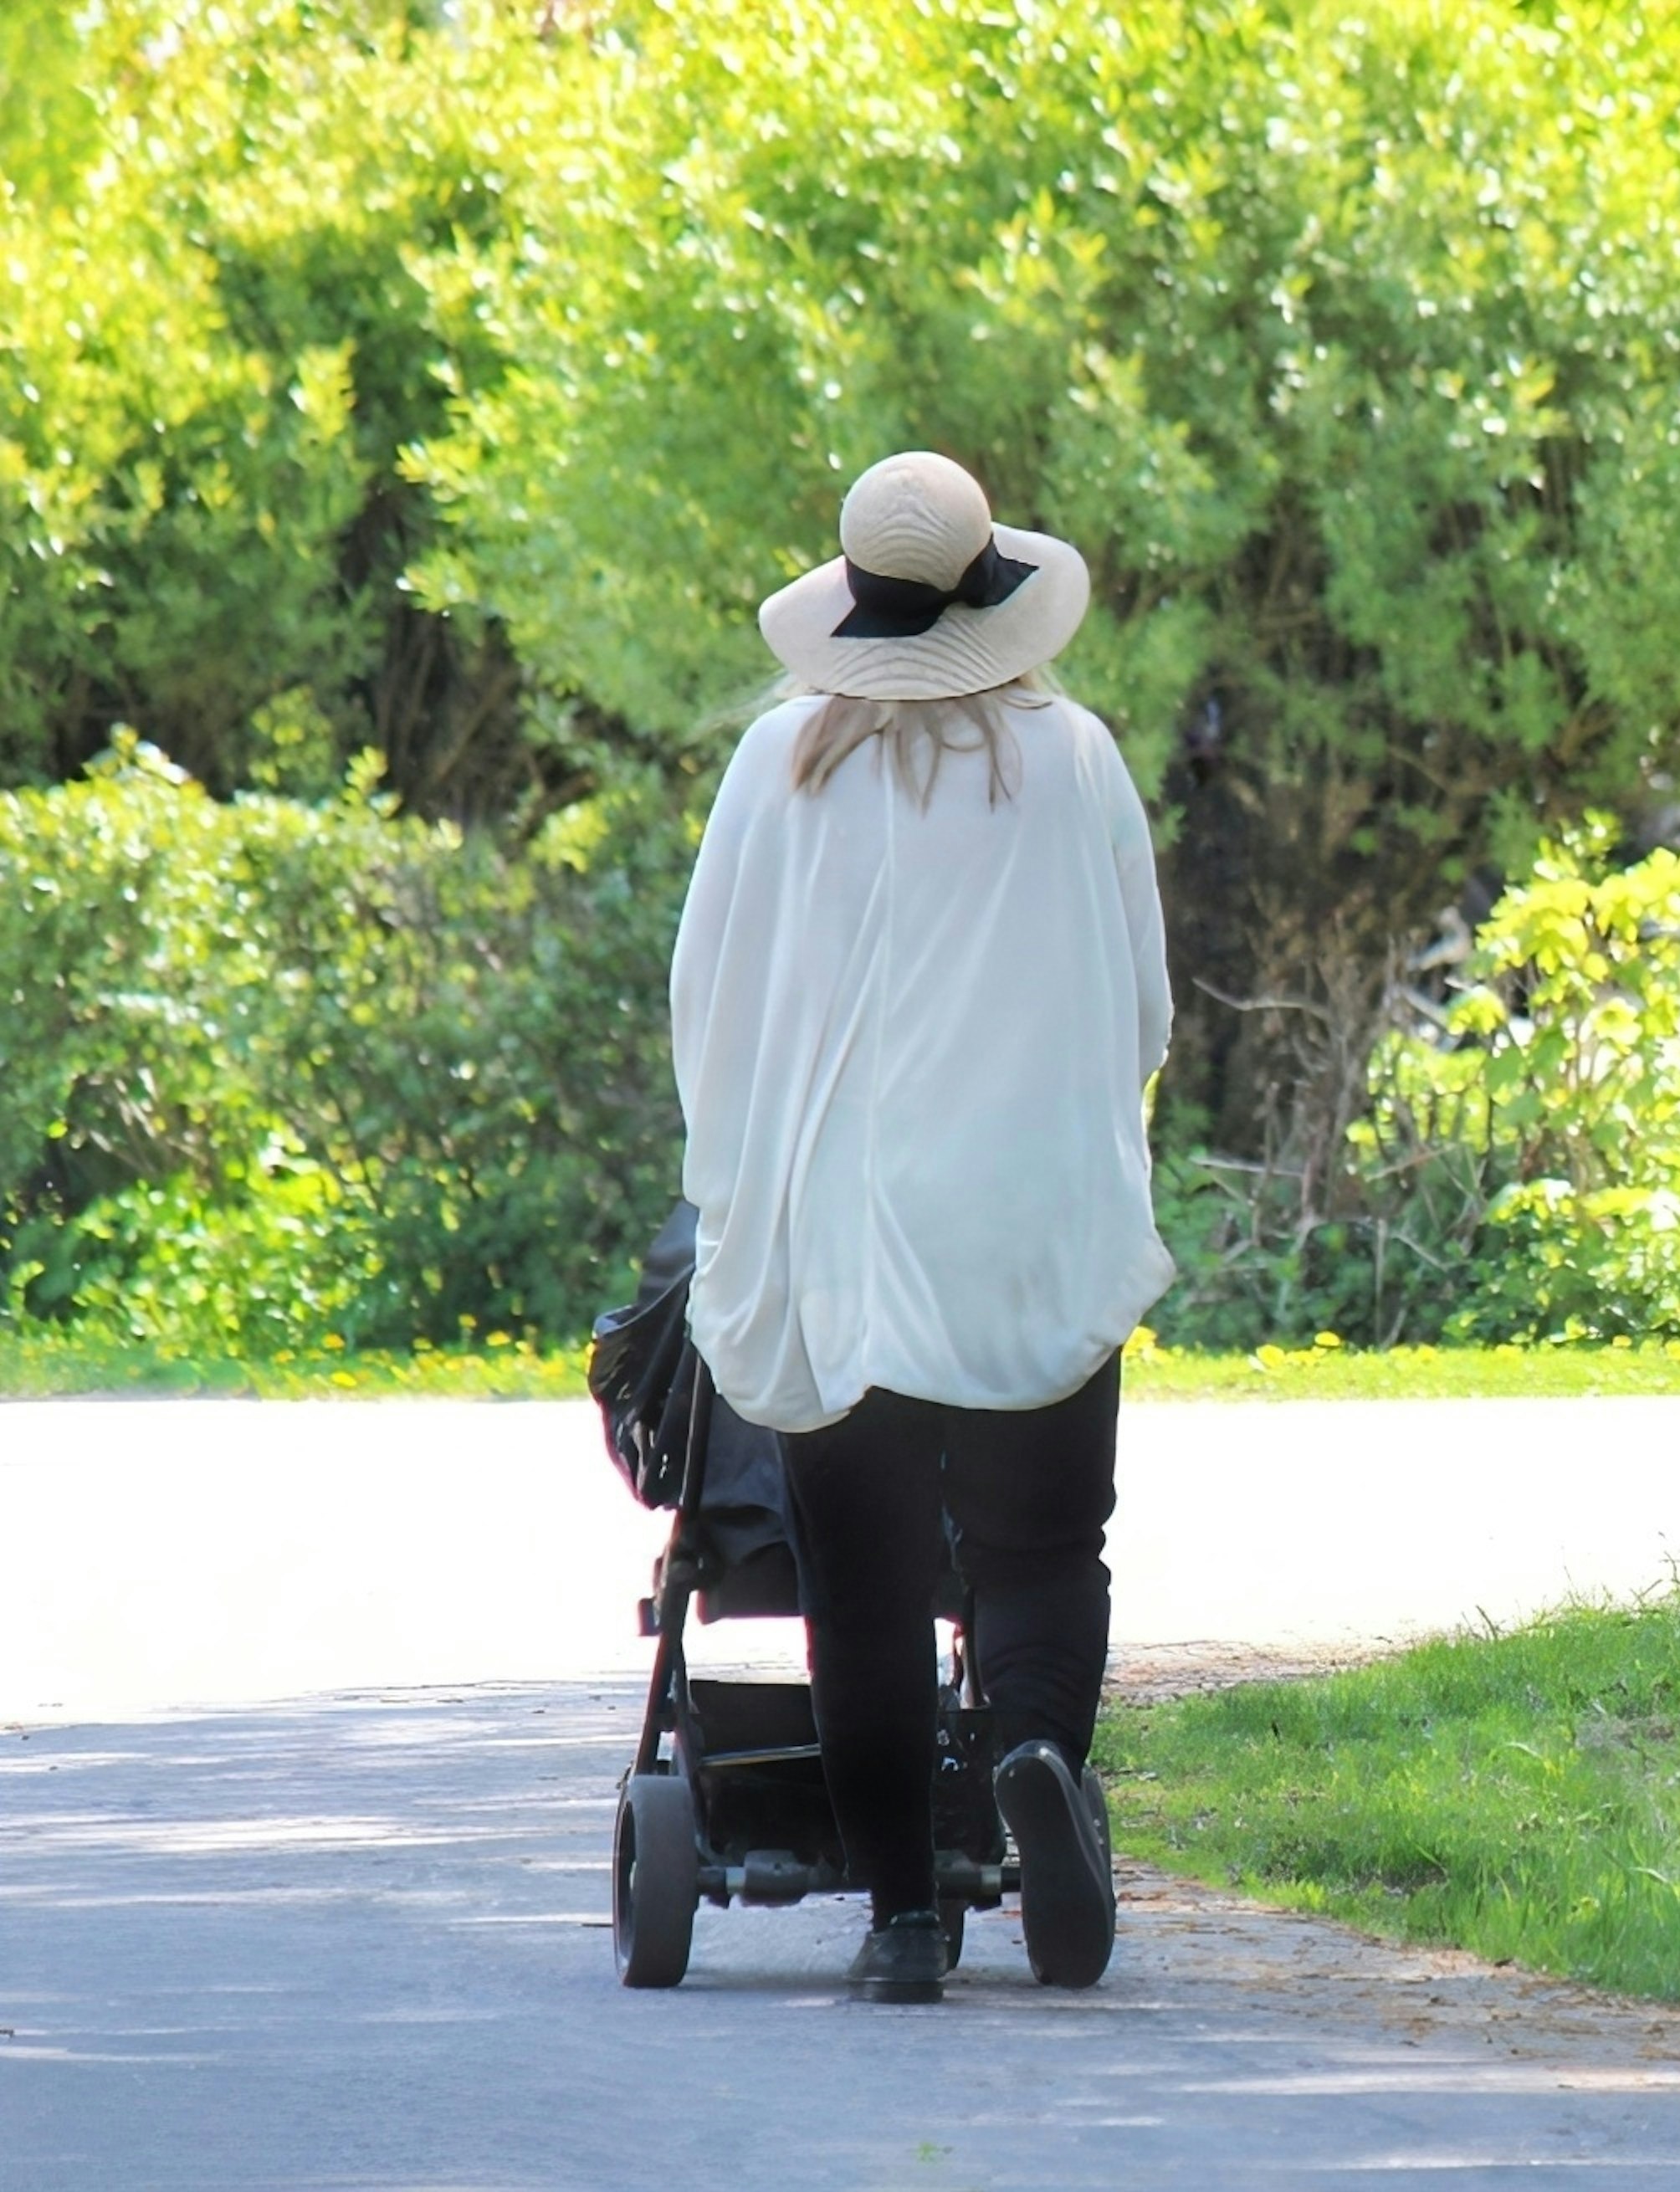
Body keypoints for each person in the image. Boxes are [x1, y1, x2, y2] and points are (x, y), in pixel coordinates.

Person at [670, 449, 1175, 2005]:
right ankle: (1031, 1749)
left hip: (841, 1240)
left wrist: (736, 1177)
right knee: (1040, 1539)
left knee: (866, 1581)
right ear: (991, 596)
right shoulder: (1073, 759)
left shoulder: (774, 771)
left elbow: (711, 1006)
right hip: (1026, 1214)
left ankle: (901, 1920)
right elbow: (1144, 1006)